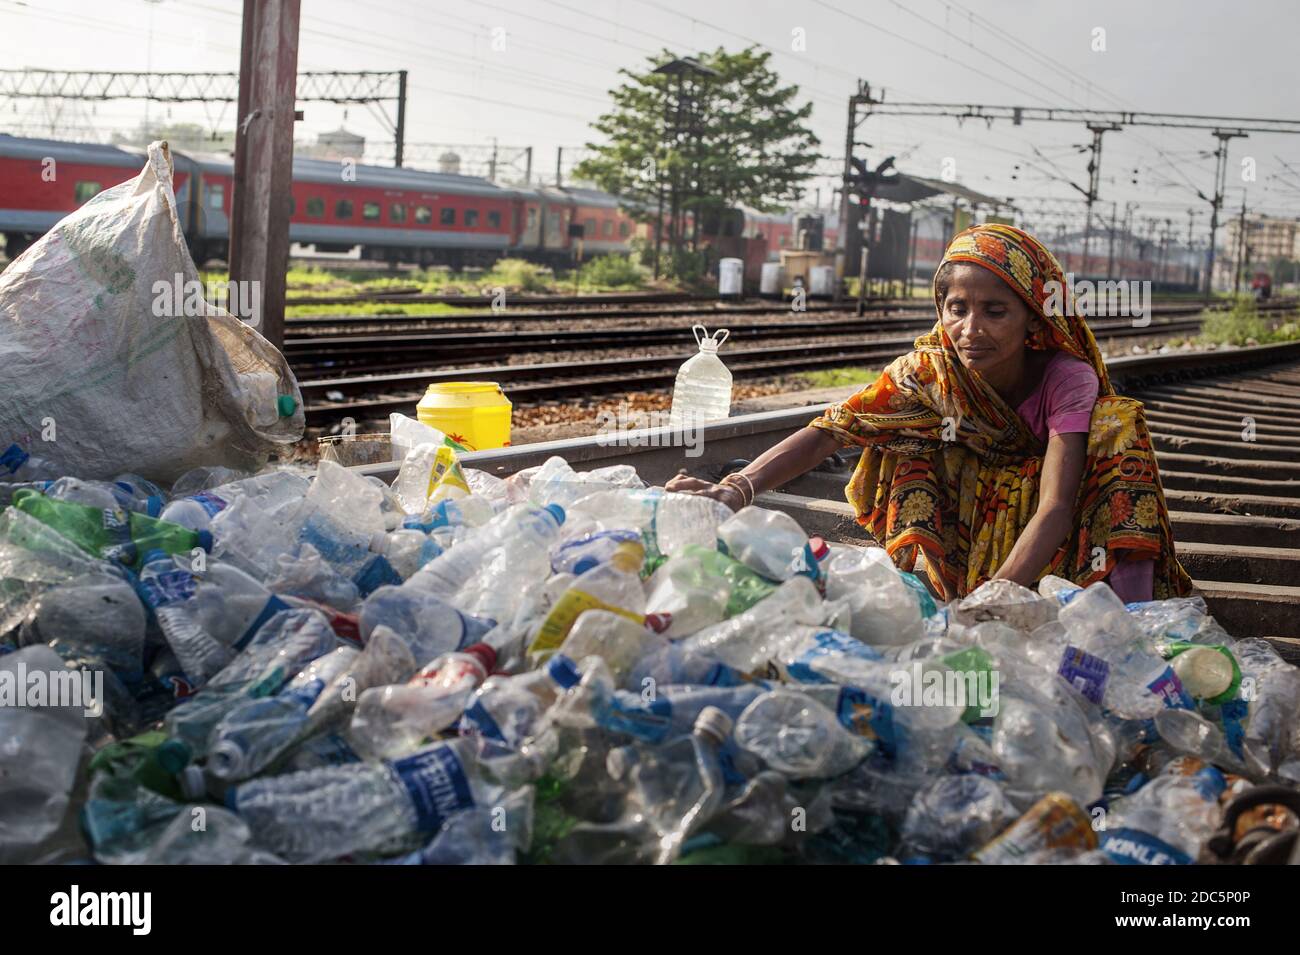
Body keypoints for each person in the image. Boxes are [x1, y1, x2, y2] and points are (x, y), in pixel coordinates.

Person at [666, 223, 1193, 604]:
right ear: (940, 311)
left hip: (1054, 528)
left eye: (995, 312)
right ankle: (945, 588)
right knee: (908, 437)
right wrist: (733, 490)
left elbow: (1056, 504)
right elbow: (832, 429)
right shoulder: (928, 372)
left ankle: (1128, 615)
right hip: (976, 521)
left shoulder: (1065, 377)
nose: (971, 329)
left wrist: (1002, 594)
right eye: (957, 309)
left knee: (1118, 424)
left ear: (1033, 320)